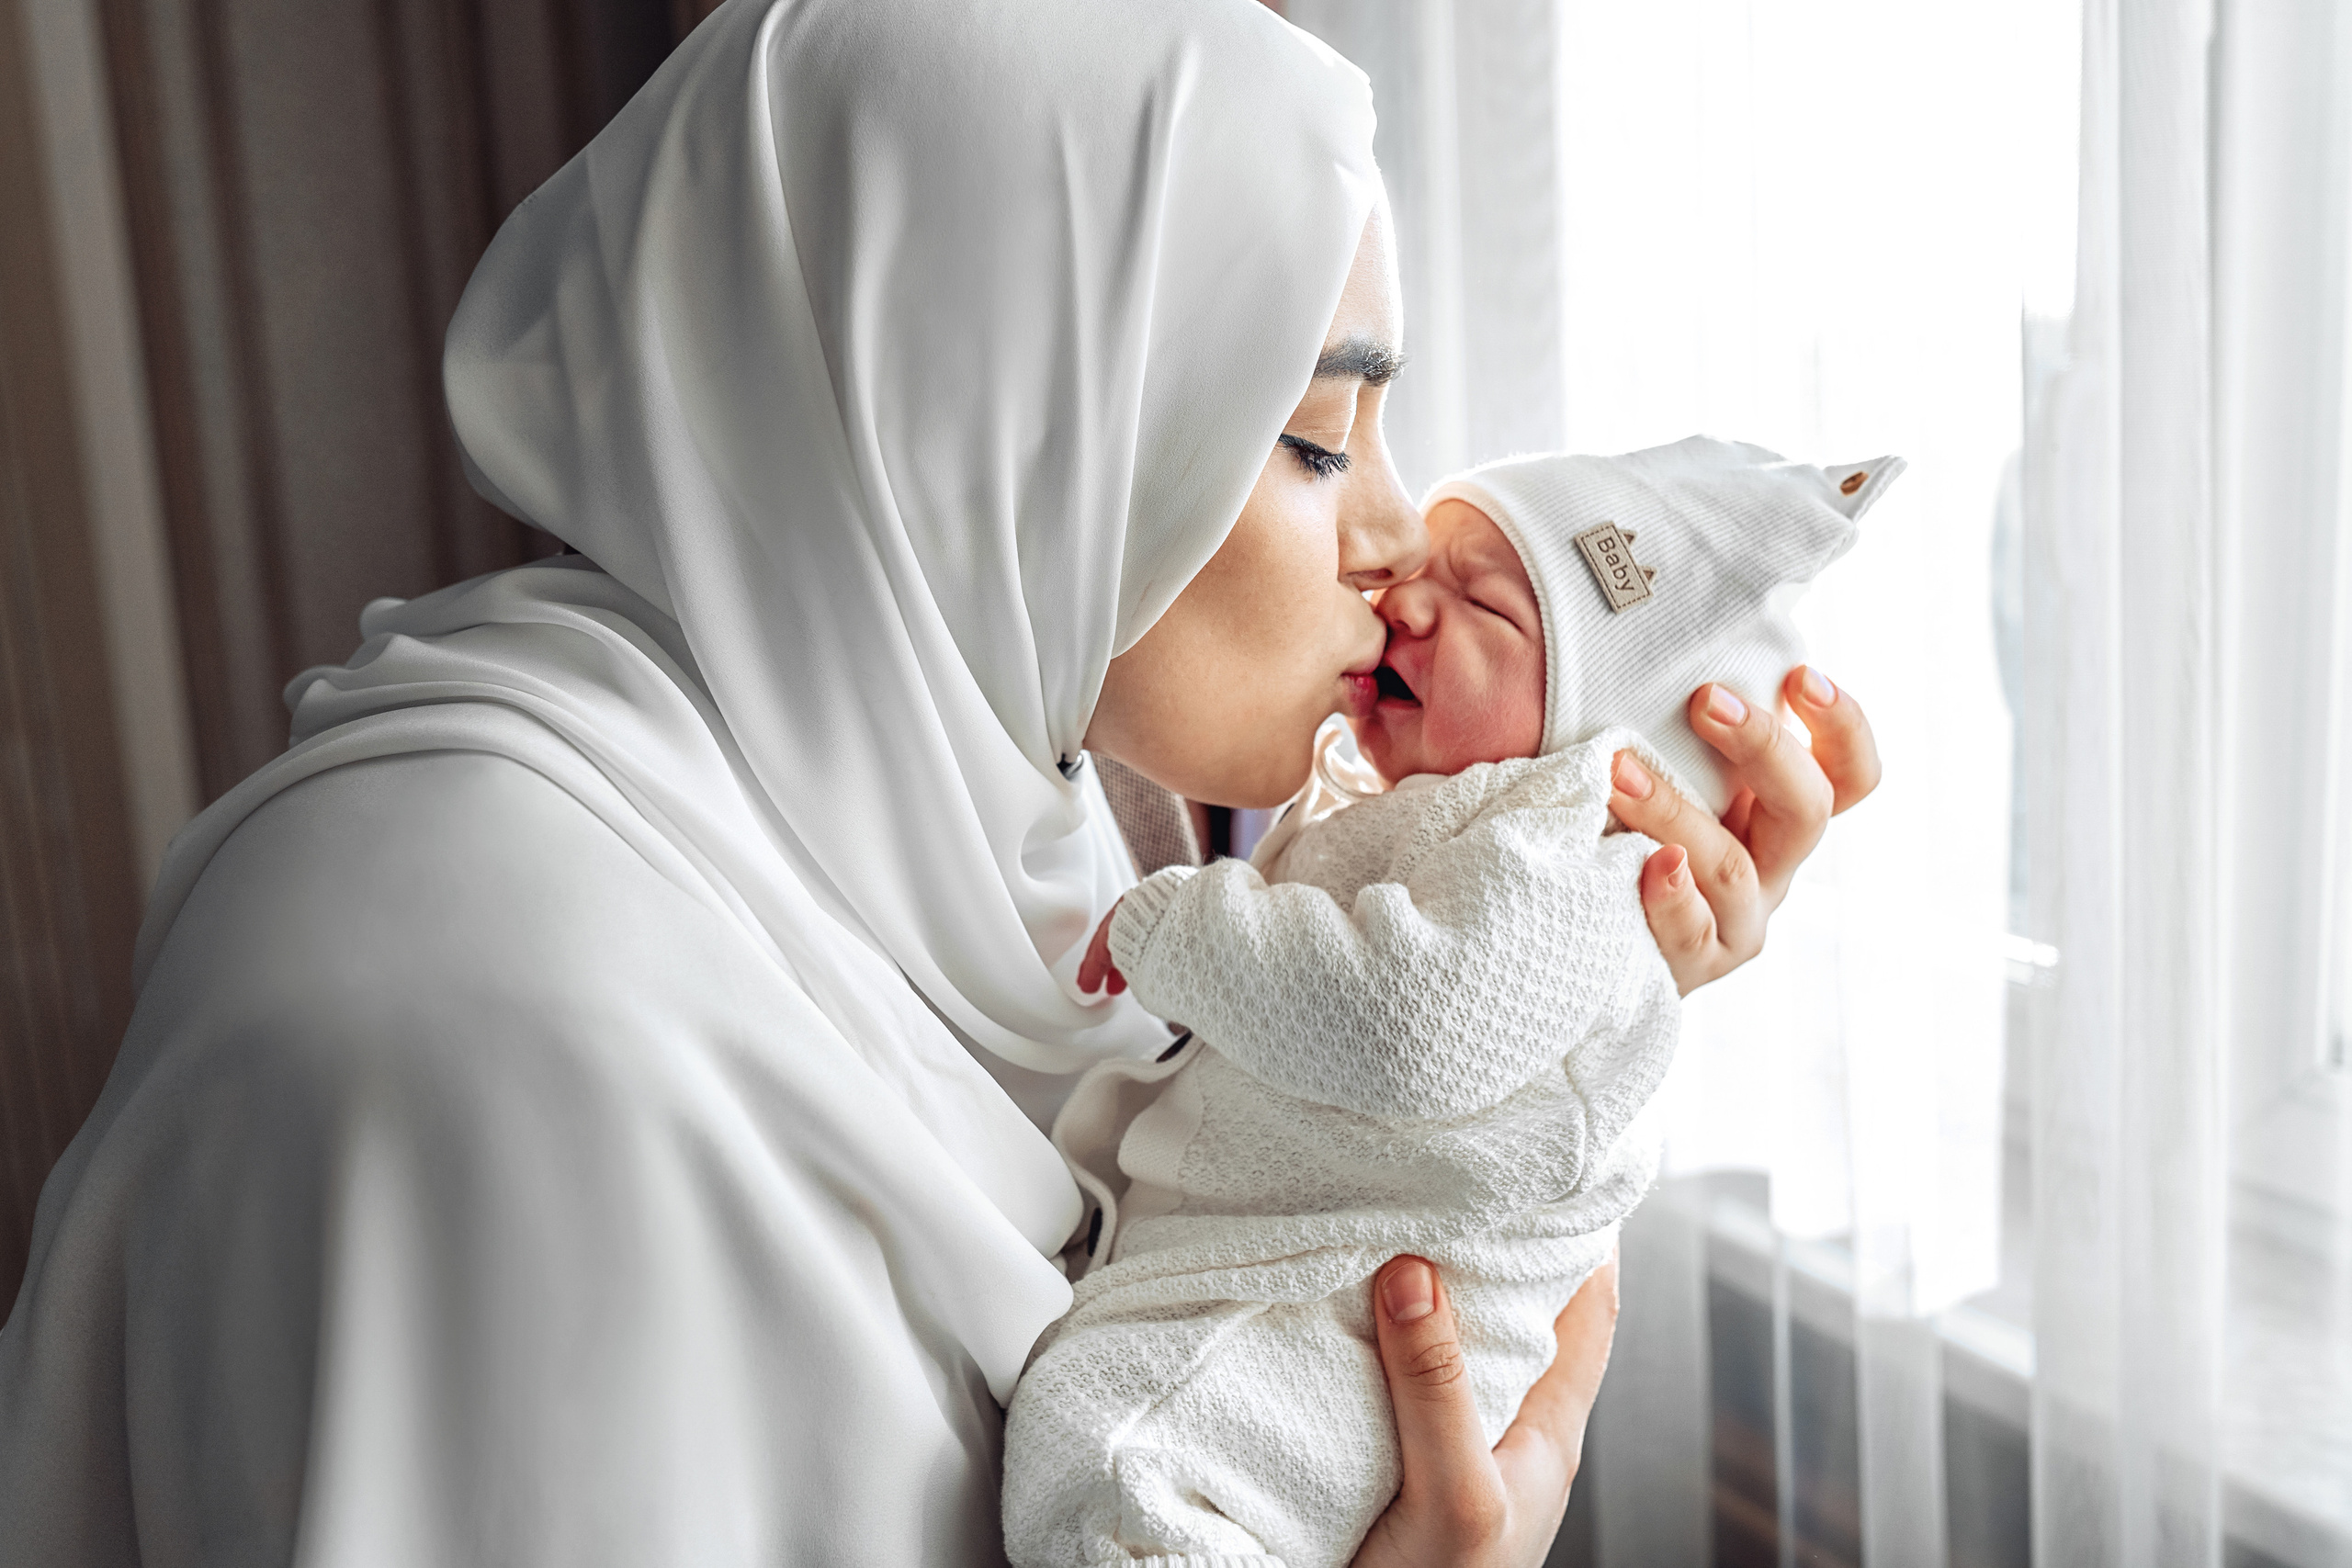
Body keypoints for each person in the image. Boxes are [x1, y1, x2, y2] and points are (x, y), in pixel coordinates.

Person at [0, 3, 1881, 1563]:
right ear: (993, 425)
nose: (1396, 533)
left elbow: (1302, 1144)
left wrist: (1584, 948)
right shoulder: (471, 1039)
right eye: (1312, 432)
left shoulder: (1020, 810)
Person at [1004, 437, 1899, 1568]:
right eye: (1324, 444)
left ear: (1610, 750)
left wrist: (1169, 928)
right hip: (1281, 1317)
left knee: (1119, 1460)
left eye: (1487, 602)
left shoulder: (1571, 838)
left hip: (1321, 1345)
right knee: (1103, 1453)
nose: (1398, 587)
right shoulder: (1418, 822)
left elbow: (1411, 1025)